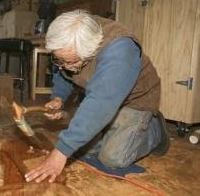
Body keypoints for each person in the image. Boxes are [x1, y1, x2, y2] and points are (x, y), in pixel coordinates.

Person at [25, 9, 170, 183]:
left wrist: (61, 152)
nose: (63, 66)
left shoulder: (120, 49)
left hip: (136, 99)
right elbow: (62, 70)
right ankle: (113, 130)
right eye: (59, 60)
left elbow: (101, 102)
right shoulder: (70, 34)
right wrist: (59, 97)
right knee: (86, 149)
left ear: (92, 51)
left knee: (112, 158)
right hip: (103, 94)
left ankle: (155, 130)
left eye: (71, 62)